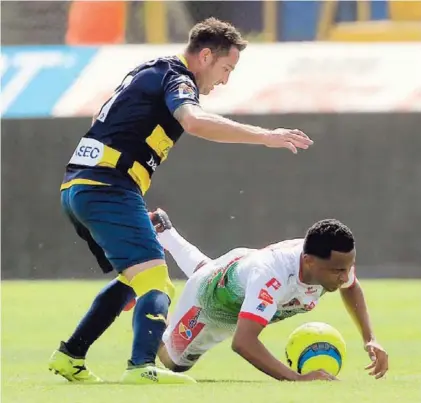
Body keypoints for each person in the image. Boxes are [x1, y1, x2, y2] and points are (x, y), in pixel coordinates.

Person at [48, 17, 313, 385]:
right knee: (158, 283)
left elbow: (103, 116)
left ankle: (70, 356)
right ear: (205, 56)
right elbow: (194, 121)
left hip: (81, 185)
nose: (225, 80)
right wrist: (266, 136)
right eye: (226, 69)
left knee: (133, 280)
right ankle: (141, 368)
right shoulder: (177, 77)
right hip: (108, 187)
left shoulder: (148, 70)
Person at [131, 209, 389, 382]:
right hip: (209, 303)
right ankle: (150, 297)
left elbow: (351, 287)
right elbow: (243, 342)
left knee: (214, 272)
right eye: (338, 271)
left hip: (240, 270)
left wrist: (370, 338)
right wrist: (296, 379)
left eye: (348, 268)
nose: (345, 276)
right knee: (173, 363)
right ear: (308, 262)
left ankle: (166, 233)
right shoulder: (273, 277)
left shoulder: (332, 260)